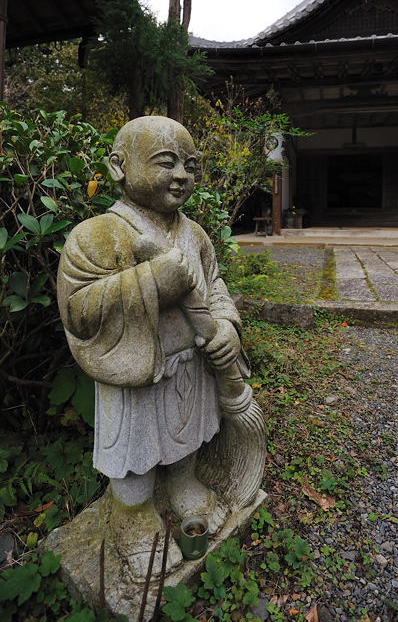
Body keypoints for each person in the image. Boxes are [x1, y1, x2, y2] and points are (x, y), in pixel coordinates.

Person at [57, 116, 246, 580]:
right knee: (136, 452)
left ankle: (184, 486)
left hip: (190, 363)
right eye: (166, 163)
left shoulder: (196, 234)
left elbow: (215, 285)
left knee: (187, 433)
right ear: (118, 167)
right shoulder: (97, 235)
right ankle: (132, 515)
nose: (182, 175)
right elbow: (78, 310)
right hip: (138, 367)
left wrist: (225, 325)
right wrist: (149, 283)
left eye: (191, 165)